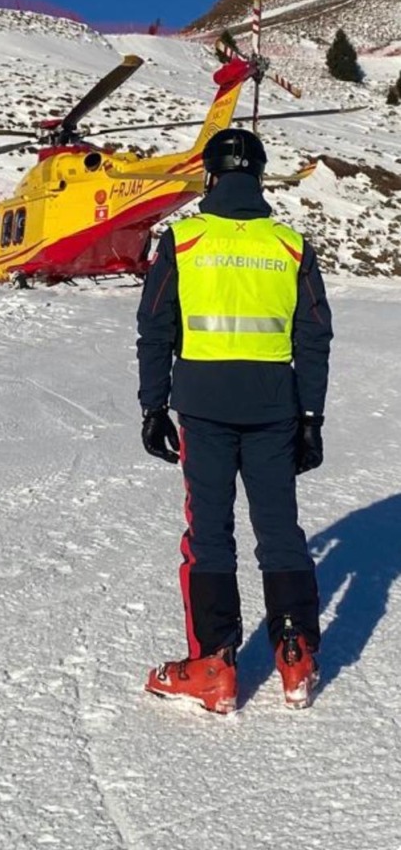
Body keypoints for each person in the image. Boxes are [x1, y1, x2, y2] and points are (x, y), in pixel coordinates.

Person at [136, 128, 332, 713]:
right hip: (275, 409)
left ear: (211, 178)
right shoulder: (290, 244)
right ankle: (295, 656)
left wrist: (153, 406)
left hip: (204, 410)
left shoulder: (185, 238)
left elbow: (156, 328)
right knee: (279, 532)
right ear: (260, 177)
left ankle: (214, 667)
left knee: (210, 535)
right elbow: (314, 336)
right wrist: (311, 416)